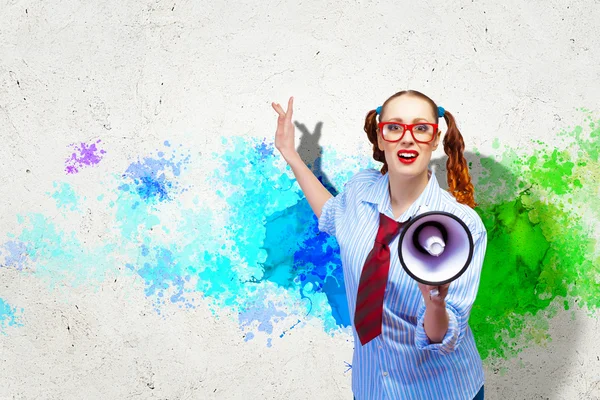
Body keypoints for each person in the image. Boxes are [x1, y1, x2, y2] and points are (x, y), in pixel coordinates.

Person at [271, 90, 487, 400]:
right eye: (395, 127)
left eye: (421, 128)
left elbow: (444, 338)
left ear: (436, 139)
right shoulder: (360, 191)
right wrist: (291, 154)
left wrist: (435, 303)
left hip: (440, 390)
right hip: (372, 387)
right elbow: (332, 216)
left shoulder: (460, 227)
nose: (407, 138)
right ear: (381, 136)